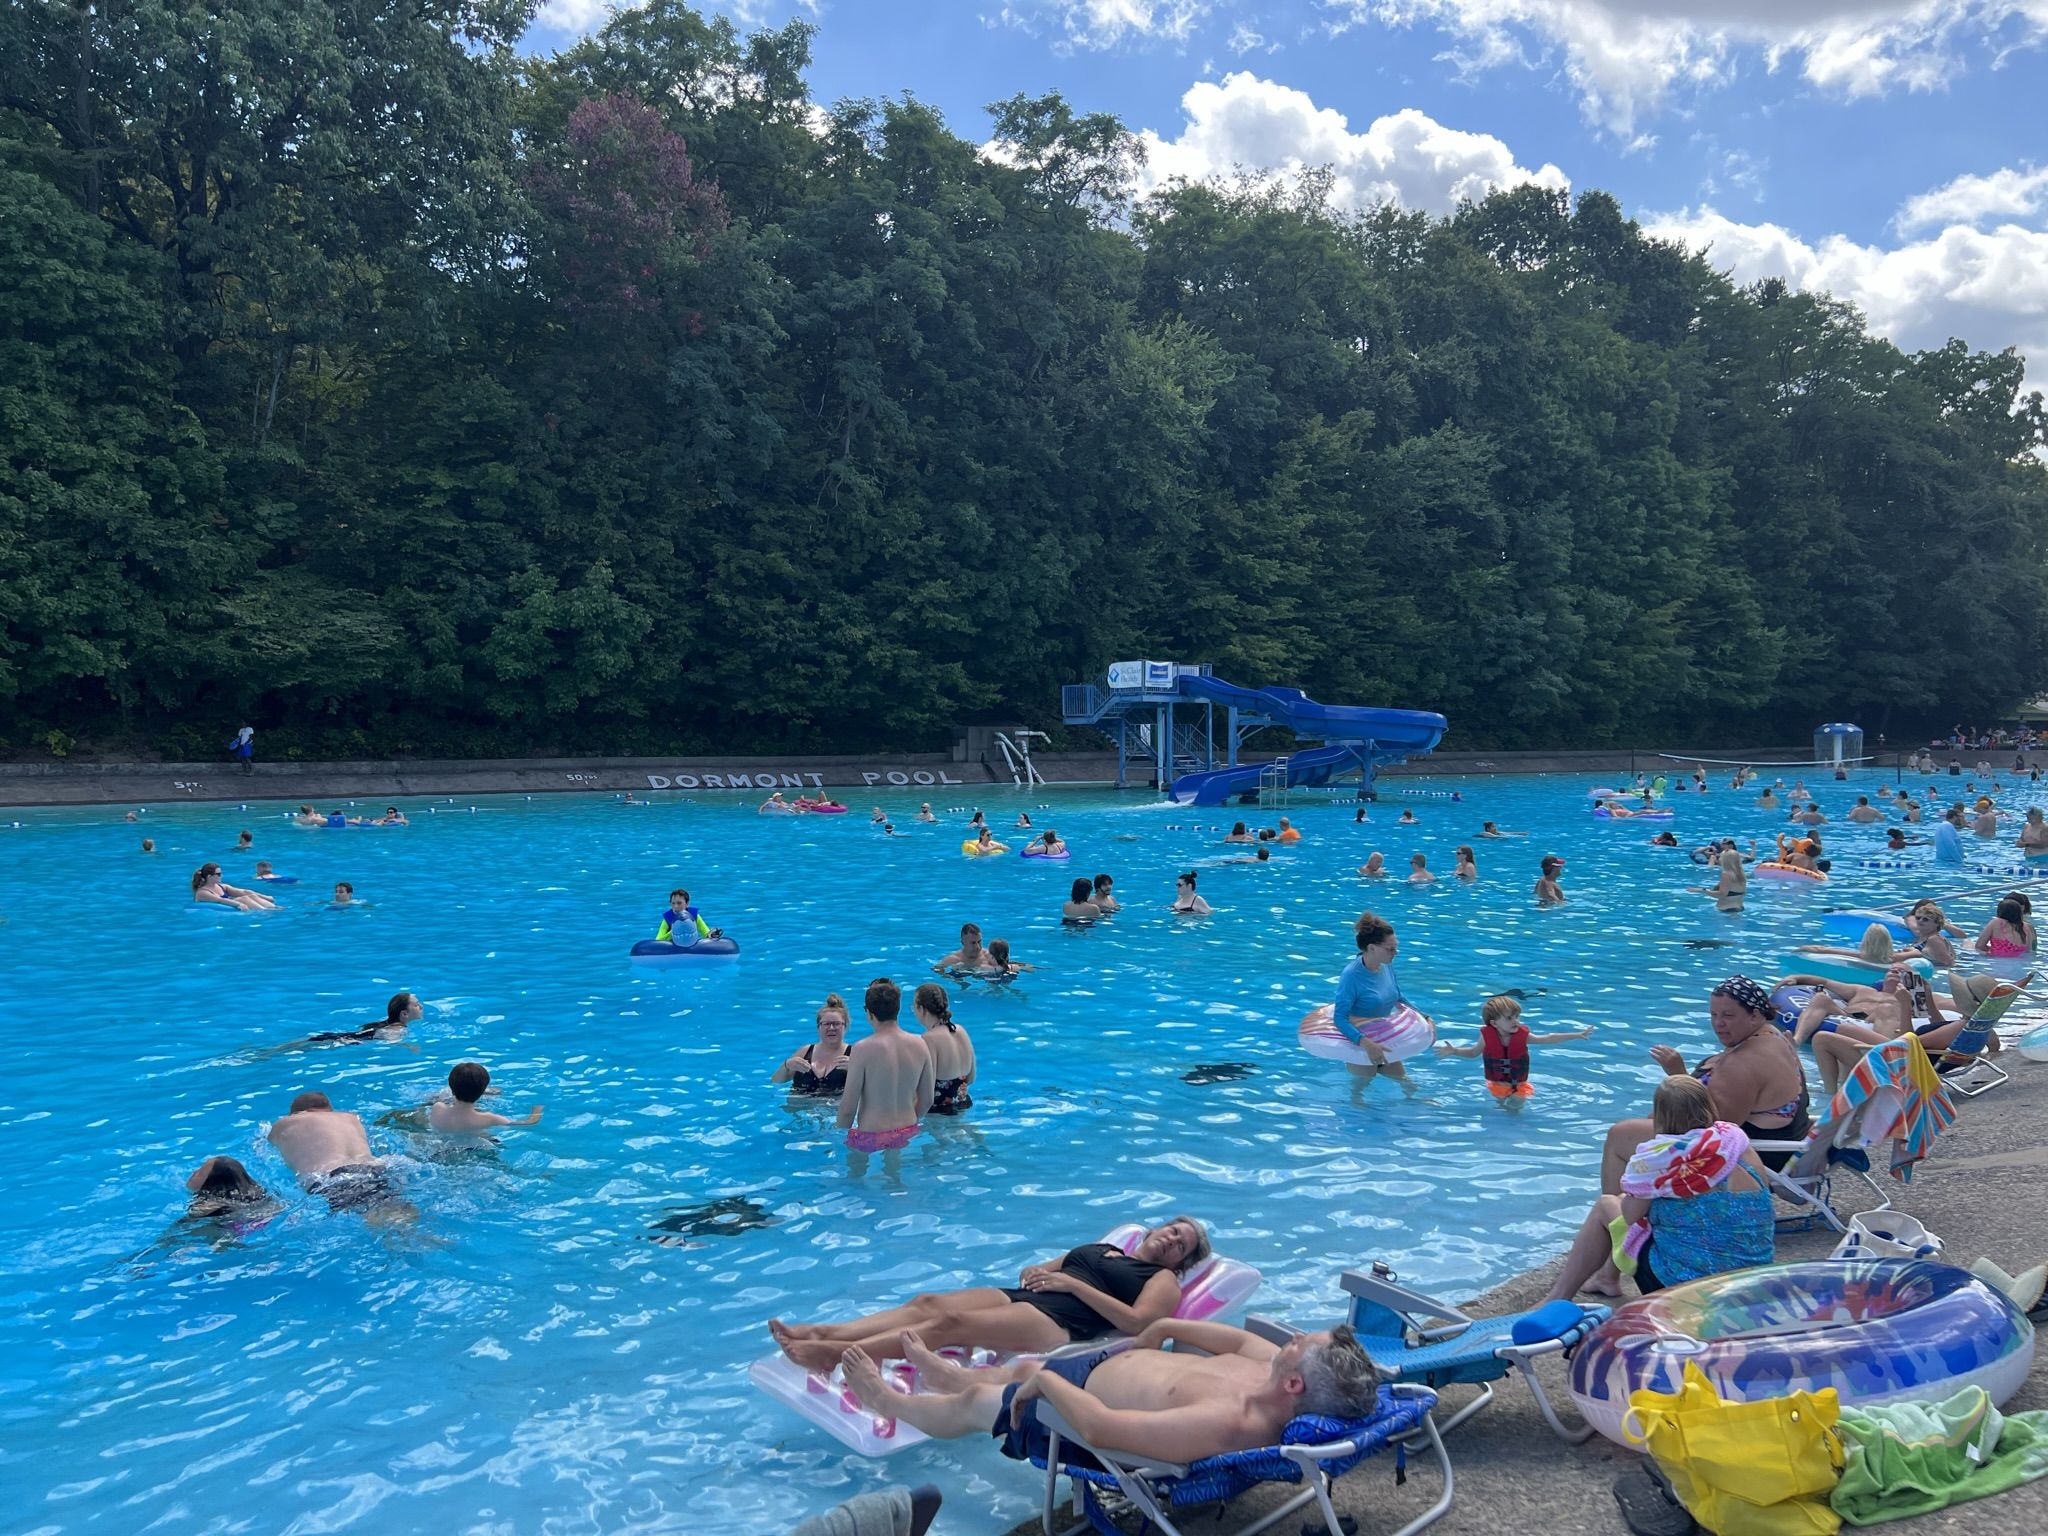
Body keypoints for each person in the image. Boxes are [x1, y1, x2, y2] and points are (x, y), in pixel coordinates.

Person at [830, 1315, 1378, 1472]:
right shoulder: (1267, 1373)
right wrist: (1167, 1326)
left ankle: (892, 1404)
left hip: (1074, 1412)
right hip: (1100, 1367)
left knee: (976, 1406)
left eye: (1304, 1342)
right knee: (1020, 1367)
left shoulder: (1227, 1423)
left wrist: (1043, 1385)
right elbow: (1236, 1337)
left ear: (1294, 1384)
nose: (1295, 1336)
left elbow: (1101, 1431)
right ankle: (951, 1374)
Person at [768, 1218, 1212, 1369]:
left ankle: (838, 1353)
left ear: (1180, 1262)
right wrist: (1038, 1268)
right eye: (1174, 1230)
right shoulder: (1109, 1247)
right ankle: (825, 1330)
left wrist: (1071, 1284)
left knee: (948, 1326)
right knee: (928, 1304)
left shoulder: (1162, 1281)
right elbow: (1053, 1267)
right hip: (1032, 1298)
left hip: (1061, 1323)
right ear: (1157, 1227)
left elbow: (1136, 1323)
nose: (1173, 1240)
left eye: (1182, 1245)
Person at [1545, 1076, 1773, 1301]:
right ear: (1709, 1106)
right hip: (1751, 1280)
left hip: (1685, 1289)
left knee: (1606, 1205)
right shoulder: (1735, 1141)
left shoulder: (1659, 1161)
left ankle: (1557, 1297)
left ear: (1659, 1116)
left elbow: (1629, 1216)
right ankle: (1605, 1278)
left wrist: (1634, 1195)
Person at [1598, 977, 1810, 1210]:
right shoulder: (1776, 1038)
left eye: (1728, 1016)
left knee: (1619, 1135)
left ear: (1755, 1015)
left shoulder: (1743, 1064)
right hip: (1784, 1144)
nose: (1719, 1024)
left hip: (1753, 1157)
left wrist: (1677, 1074)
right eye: (1713, 1015)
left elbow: (1715, 1128)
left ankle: (1619, 1223)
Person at [267, 1091, 414, 1220]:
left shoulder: (286, 1122)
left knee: (373, 1217)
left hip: (332, 1178)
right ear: (329, 1110)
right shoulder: (350, 1117)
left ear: (296, 1112)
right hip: (376, 1167)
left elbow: (268, 1141)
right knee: (394, 1209)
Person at [1435, 994, 1593, 1102]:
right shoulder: (1487, 1036)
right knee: (1501, 1112)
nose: (1516, 1021)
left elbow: (1549, 1038)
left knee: (1517, 1108)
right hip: (1497, 1085)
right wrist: (1454, 1051)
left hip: (1520, 1086)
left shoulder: (1523, 1036)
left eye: (1517, 1016)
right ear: (1494, 1023)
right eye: (1509, 1018)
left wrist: (1577, 1035)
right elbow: (1473, 1052)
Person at [839, 977, 933, 1157]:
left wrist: (837, 1138)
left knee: (855, 1179)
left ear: (868, 1013)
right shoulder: (920, 1043)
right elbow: (927, 1099)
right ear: (897, 1009)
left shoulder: (862, 1049)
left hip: (871, 1134)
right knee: (895, 1179)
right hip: (907, 1130)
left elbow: (848, 1108)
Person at [1332, 911, 1417, 1091]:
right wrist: (1366, 1044)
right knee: (1358, 1096)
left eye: (1396, 947)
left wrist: (1423, 1017)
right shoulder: (1351, 976)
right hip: (1360, 1045)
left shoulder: (1386, 966)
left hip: (1384, 1039)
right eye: (1390, 949)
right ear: (1371, 948)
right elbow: (1339, 1018)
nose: (1396, 953)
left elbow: (1397, 996)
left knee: (1408, 1086)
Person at [775, 994, 856, 1096]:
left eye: (836, 1024)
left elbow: (873, 1087)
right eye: (826, 1024)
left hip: (833, 1108)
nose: (831, 1028)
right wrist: (786, 1065)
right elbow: (777, 1081)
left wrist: (856, 1070)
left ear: (845, 1026)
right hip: (799, 1109)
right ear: (818, 1027)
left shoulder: (855, 1054)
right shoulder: (805, 1051)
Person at [914, 983, 975, 1115]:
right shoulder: (960, 1030)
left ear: (922, 1009)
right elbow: (971, 1078)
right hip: (963, 1102)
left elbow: (927, 1090)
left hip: (938, 1109)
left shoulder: (928, 1039)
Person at [429, 1061, 543, 1131]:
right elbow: (528, 1123)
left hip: (441, 1148)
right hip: (475, 1148)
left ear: (452, 1089)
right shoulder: (489, 1118)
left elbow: (441, 1099)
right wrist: (537, 1110)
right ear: (481, 1093)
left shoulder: (437, 1108)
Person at [183, 1155, 280, 1232]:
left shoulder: (206, 1206)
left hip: (232, 1228)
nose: (194, 1171)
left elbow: (180, 1230)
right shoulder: (263, 1195)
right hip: (262, 1220)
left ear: (211, 1184)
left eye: (200, 1173)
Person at [191, 862, 277, 911]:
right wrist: (239, 903)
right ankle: (265, 912)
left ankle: (275, 909)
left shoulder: (222, 887)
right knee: (243, 899)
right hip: (214, 912)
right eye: (218, 874)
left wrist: (266, 897)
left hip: (226, 908)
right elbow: (220, 900)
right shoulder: (202, 892)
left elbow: (244, 892)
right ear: (209, 877)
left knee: (250, 896)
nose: (221, 876)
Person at [656, 887, 721, 944]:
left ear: (687, 903)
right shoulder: (667, 919)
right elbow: (658, 941)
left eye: (679, 903)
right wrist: (675, 930)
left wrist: (712, 935)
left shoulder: (694, 916)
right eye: (673, 903)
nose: (675, 906)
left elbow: (706, 935)